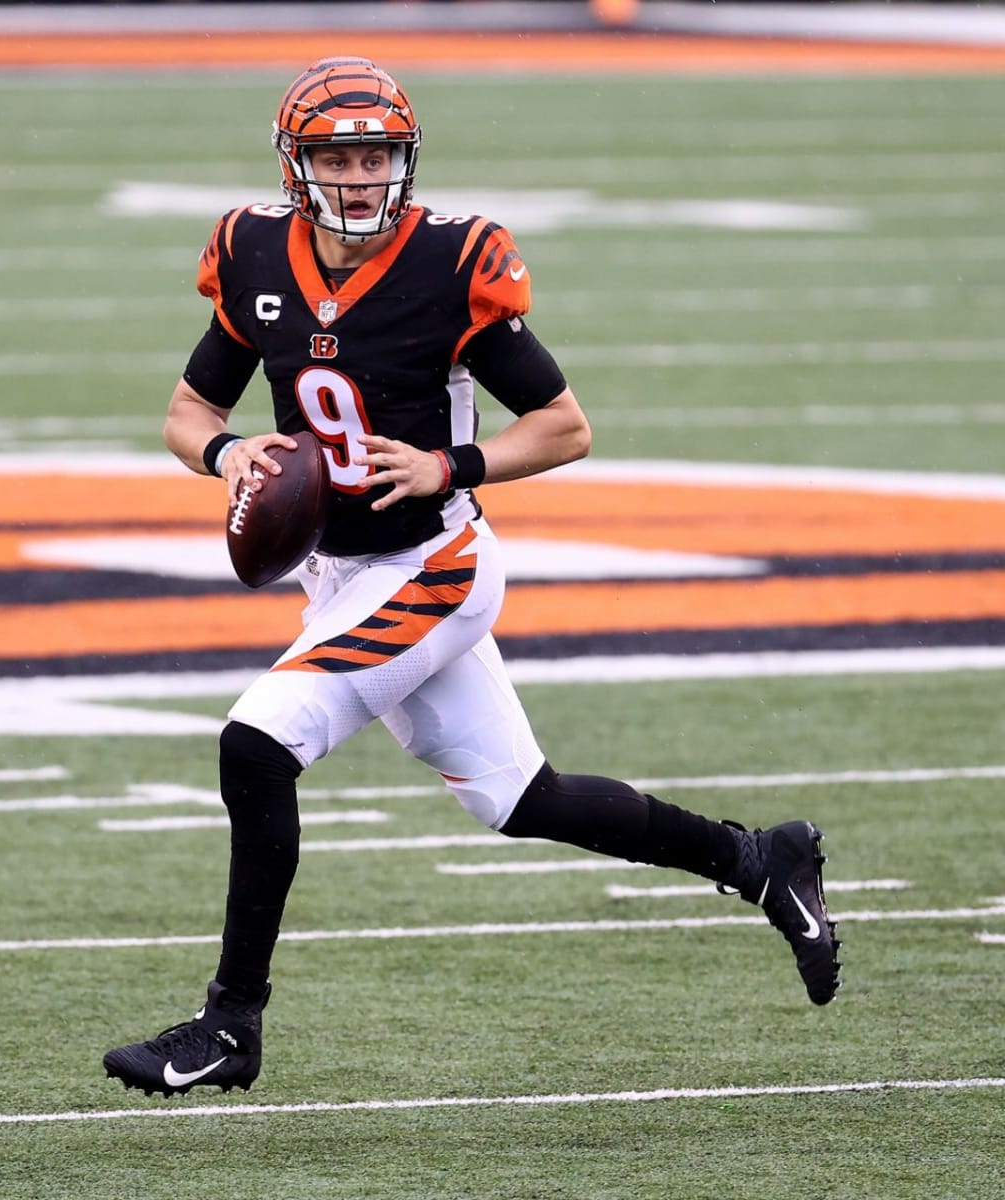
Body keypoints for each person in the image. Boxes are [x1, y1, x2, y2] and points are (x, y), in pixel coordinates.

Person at [103, 57, 840, 1098]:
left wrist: (453, 463)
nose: (358, 178)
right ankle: (761, 859)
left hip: (432, 564)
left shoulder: (452, 264)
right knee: (521, 798)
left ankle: (230, 1026)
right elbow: (188, 412)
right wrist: (229, 457)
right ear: (294, 161)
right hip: (336, 570)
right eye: (335, 156)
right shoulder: (254, 248)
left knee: (255, 747)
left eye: (375, 156)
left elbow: (565, 426)